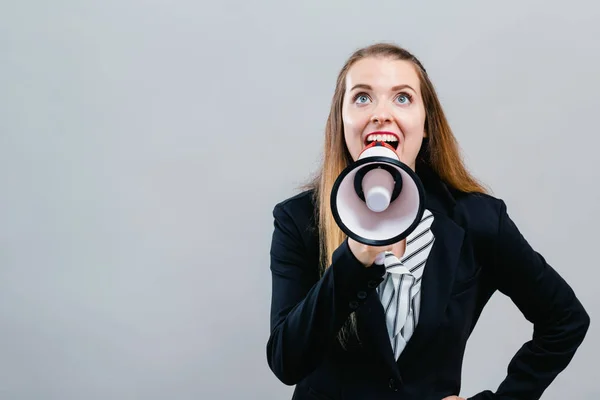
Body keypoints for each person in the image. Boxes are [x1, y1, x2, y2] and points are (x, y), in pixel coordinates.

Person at [265, 42, 590, 400]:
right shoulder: (298, 221)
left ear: (425, 127)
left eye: (402, 98)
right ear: (341, 123)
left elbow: (565, 319)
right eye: (362, 98)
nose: (380, 114)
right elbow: (286, 361)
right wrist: (354, 260)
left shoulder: (477, 220)